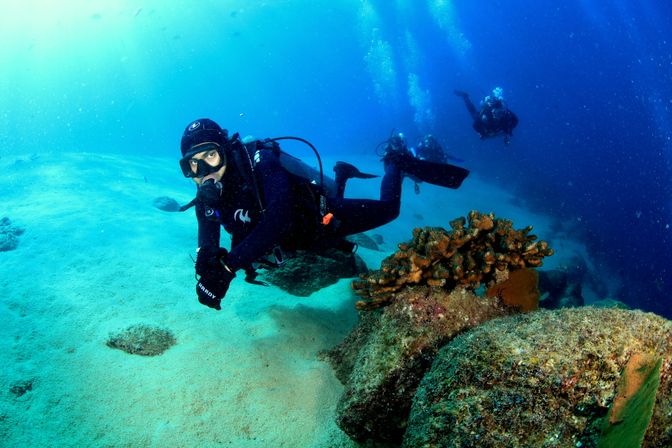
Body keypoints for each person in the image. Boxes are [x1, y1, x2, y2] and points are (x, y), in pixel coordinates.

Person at [178, 119, 469, 310]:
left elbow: (278, 219)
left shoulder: (260, 160)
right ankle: (341, 175)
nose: (204, 172)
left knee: (389, 210)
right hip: (297, 242)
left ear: (225, 150)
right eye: (192, 165)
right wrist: (206, 267)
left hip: (319, 219)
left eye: (210, 156)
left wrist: (227, 269)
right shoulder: (209, 191)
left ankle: (396, 163)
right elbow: (208, 227)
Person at [454, 87, 519, 145]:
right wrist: (482, 133)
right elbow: (475, 125)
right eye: (497, 112)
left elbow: (516, 120)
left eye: (501, 112)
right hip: (487, 124)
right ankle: (465, 96)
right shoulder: (486, 116)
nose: (499, 115)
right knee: (473, 113)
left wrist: (509, 130)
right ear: (493, 111)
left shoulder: (505, 114)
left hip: (494, 129)